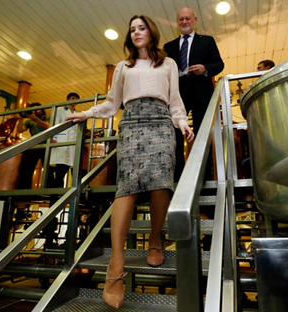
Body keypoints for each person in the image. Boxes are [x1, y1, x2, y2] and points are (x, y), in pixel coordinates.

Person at [66, 15, 194, 309]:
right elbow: (113, 104)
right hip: (132, 123)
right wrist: (85, 114)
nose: (137, 32)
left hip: (161, 122)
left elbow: (175, 101)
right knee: (126, 188)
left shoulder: (169, 64)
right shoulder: (124, 66)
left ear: (152, 33)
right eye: (133, 29)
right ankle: (116, 261)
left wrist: (182, 124)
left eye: (142, 28)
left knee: (162, 183)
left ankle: (154, 239)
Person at [163, 7, 224, 181]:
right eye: (181, 19)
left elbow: (219, 64)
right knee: (174, 135)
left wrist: (205, 69)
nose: (184, 22)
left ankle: (203, 177)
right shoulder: (168, 47)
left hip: (202, 95)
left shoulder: (207, 41)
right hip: (176, 96)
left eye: (187, 18)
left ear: (195, 20)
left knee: (202, 135)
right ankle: (178, 177)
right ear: (177, 22)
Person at [48, 92, 79, 189]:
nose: (74, 100)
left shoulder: (77, 114)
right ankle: (55, 197)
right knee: (59, 173)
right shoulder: (60, 110)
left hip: (72, 144)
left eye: (76, 99)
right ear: (67, 99)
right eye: (73, 98)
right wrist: (54, 138)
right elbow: (55, 124)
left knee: (71, 169)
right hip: (61, 142)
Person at [16, 103, 50, 189]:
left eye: (37, 109)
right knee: (26, 168)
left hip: (46, 145)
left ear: (42, 110)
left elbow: (47, 126)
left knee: (48, 169)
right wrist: (21, 117)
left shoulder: (48, 118)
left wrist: (34, 117)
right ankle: (24, 191)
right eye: (33, 110)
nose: (35, 111)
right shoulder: (29, 121)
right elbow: (20, 130)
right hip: (34, 145)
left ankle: (49, 191)